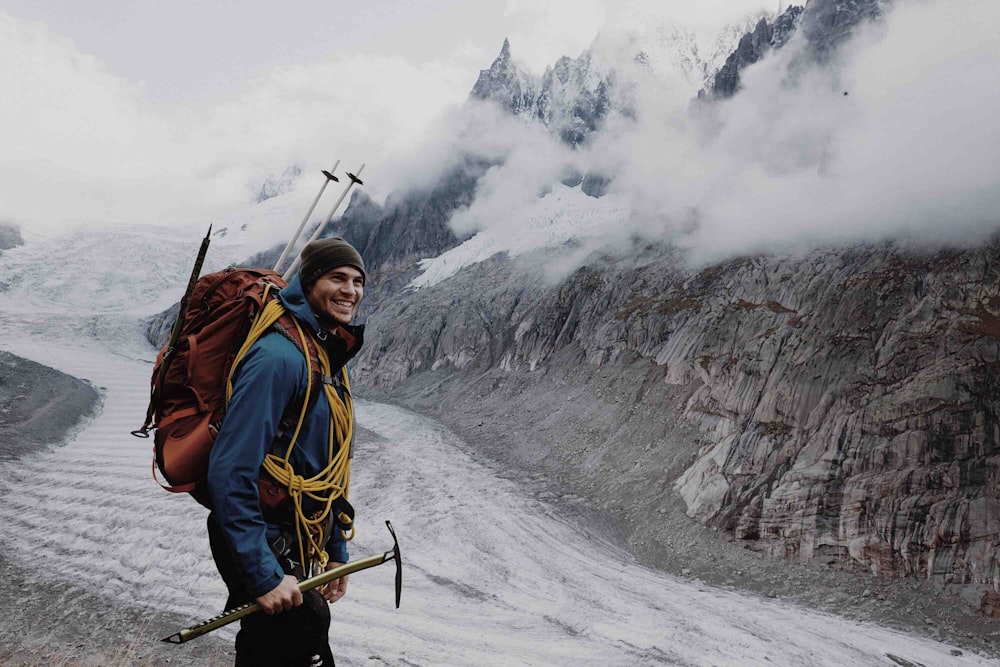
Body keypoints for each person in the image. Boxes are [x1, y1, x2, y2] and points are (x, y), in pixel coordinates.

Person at [206, 237, 366, 667]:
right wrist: (261, 574)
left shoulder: (324, 354)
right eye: (337, 277)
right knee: (298, 640)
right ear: (310, 280)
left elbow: (322, 466)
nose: (350, 290)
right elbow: (230, 468)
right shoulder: (278, 356)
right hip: (261, 532)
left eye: (357, 280)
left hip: (292, 532)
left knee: (287, 644)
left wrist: (336, 547)